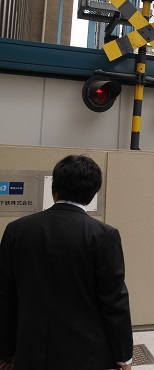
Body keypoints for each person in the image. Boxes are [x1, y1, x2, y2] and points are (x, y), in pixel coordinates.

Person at [0, 155, 133, 370]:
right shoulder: (103, 235)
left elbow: (5, 295)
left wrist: (6, 351)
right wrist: (123, 356)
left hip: (30, 351)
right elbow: (114, 301)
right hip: (86, 355)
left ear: (55, 190)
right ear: (92, 194)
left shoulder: (16, 230)